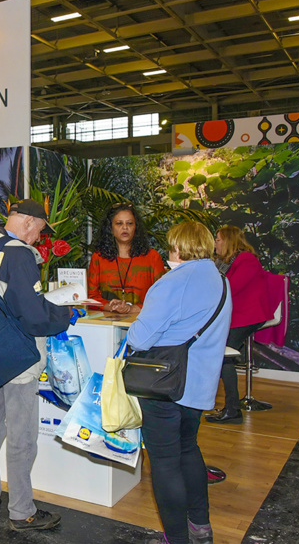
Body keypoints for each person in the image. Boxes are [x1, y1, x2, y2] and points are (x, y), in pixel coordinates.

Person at [0, 199, 75, 532]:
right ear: (28, 222)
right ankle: (22, 511)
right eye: (41, 230)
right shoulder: (20, 254)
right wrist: (67, 314)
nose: (40, 239)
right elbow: (35, 316)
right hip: (18, 358)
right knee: (22, 436)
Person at [126, 221, 231, 544]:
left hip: (164, 387)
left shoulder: (173, 282)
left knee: (165, 463)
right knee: (189, 451)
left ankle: (176, 538)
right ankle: (200, 527)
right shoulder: (220, 280)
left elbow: (139, 336)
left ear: (179, 246)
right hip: (198, 388)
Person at [206, 226, 271, 424]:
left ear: (228, 241)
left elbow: (229, 289)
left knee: (223, 356)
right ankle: (230, 407)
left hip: (247, 316)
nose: (215, 243)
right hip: (237, 315)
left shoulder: (246, 260)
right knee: (223, 356)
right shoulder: (227, 262)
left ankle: (232, 410)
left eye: (218, 239)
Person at [87, 203, 165, 314]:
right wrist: (110, 306)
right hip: (107, 325)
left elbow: (162, 296)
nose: (125, 227)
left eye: (130, 223)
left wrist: (134, 308)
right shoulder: (98, 257)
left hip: (143, 322)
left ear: (136, 227)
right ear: (110, 228)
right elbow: (91, 297)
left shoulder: (152, 257)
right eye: (119, 223)